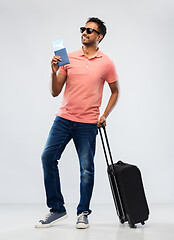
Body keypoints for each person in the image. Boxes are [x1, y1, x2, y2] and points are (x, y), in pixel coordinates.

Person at [35, 17, 119, 229]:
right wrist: (53, 71)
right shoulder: (67, 57)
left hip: (88, 124)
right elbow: (55, 92)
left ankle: (83, 212)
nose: (84, 33)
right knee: (48, 157)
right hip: (63, 119)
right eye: (83, 29)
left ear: (99, 36)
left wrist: (105, 115)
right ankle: (57, 209)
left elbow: (115, 91)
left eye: (90, 30)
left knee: (86, 169)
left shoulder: (106, 62)